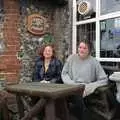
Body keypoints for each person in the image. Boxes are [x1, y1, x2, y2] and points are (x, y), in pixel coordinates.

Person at [61, 40, 108, 120]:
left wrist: (89, 87)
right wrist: (72, 84)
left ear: (89, 50)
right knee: (59, 98)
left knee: (77, 99)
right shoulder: (72, 58)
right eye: (80, 47)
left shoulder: (94, 62)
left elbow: (104, 79)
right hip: (70, 87)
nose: (81, 50)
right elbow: (64, 74)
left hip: (85, 91)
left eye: (84, 48)